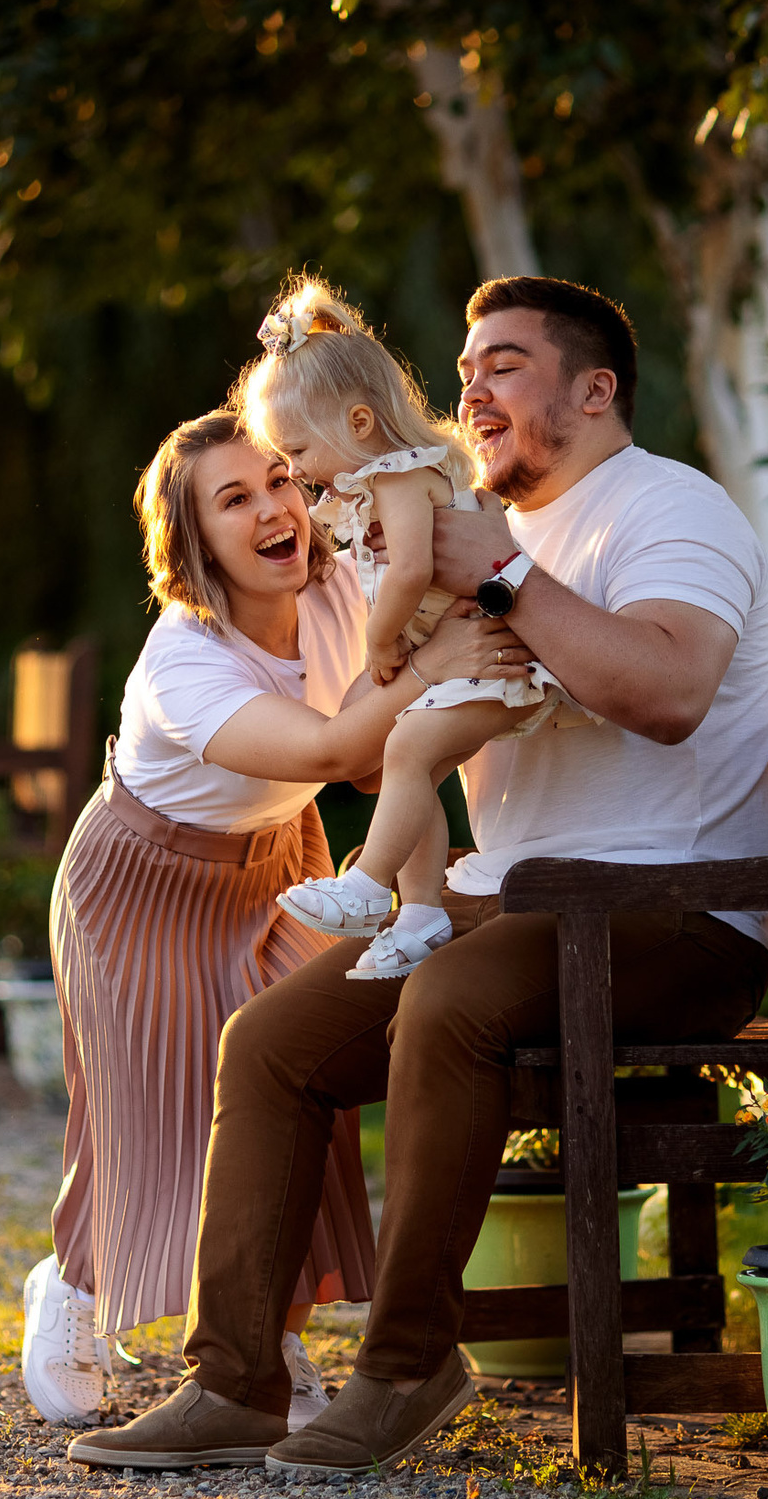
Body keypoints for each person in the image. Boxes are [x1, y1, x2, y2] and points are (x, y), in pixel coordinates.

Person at [67, 275, 768, 1478]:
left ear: (594, 391)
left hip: (676, 909)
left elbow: (665, 694)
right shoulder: (480, 523)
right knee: (270, 1044)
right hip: (516, 900)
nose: (469, 388)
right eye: (463, 368)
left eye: (503, 364)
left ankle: (408, 1363)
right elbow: (383, 728)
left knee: (451, 1008)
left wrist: (500, 577)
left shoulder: (674, 510)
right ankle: (236, 1381)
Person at [20, 407, 536, 1430]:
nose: (273, 510)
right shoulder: (183, 664)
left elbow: (428, 539)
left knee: (296, 1099)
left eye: (279, 482)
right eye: (235, 498)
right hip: (144, 879)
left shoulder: (342, 583)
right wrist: (435, 667)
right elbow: (334, 753)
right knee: (146, 1111)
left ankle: (273, 1331)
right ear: (194, 537)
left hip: (282, 859)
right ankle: (73, 1287)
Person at [236, 277, 588, 981]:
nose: (297, 472)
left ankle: (368, 885)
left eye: (299, 452)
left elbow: (408, 572)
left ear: (360, 424)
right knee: (413, 761)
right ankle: (421, 911)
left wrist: (379, 641)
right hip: (464, 660)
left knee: (406, 752)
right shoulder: (372, 486)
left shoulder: (401, 475)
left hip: (497, 662)